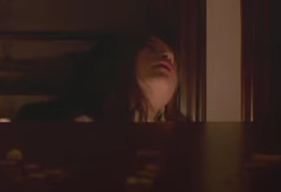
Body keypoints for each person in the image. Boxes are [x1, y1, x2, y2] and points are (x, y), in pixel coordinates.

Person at [15, 30, 179, 123]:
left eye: (173, 59)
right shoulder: (46, 124)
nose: (168, 56)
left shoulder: (175, 147)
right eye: (151, 47)